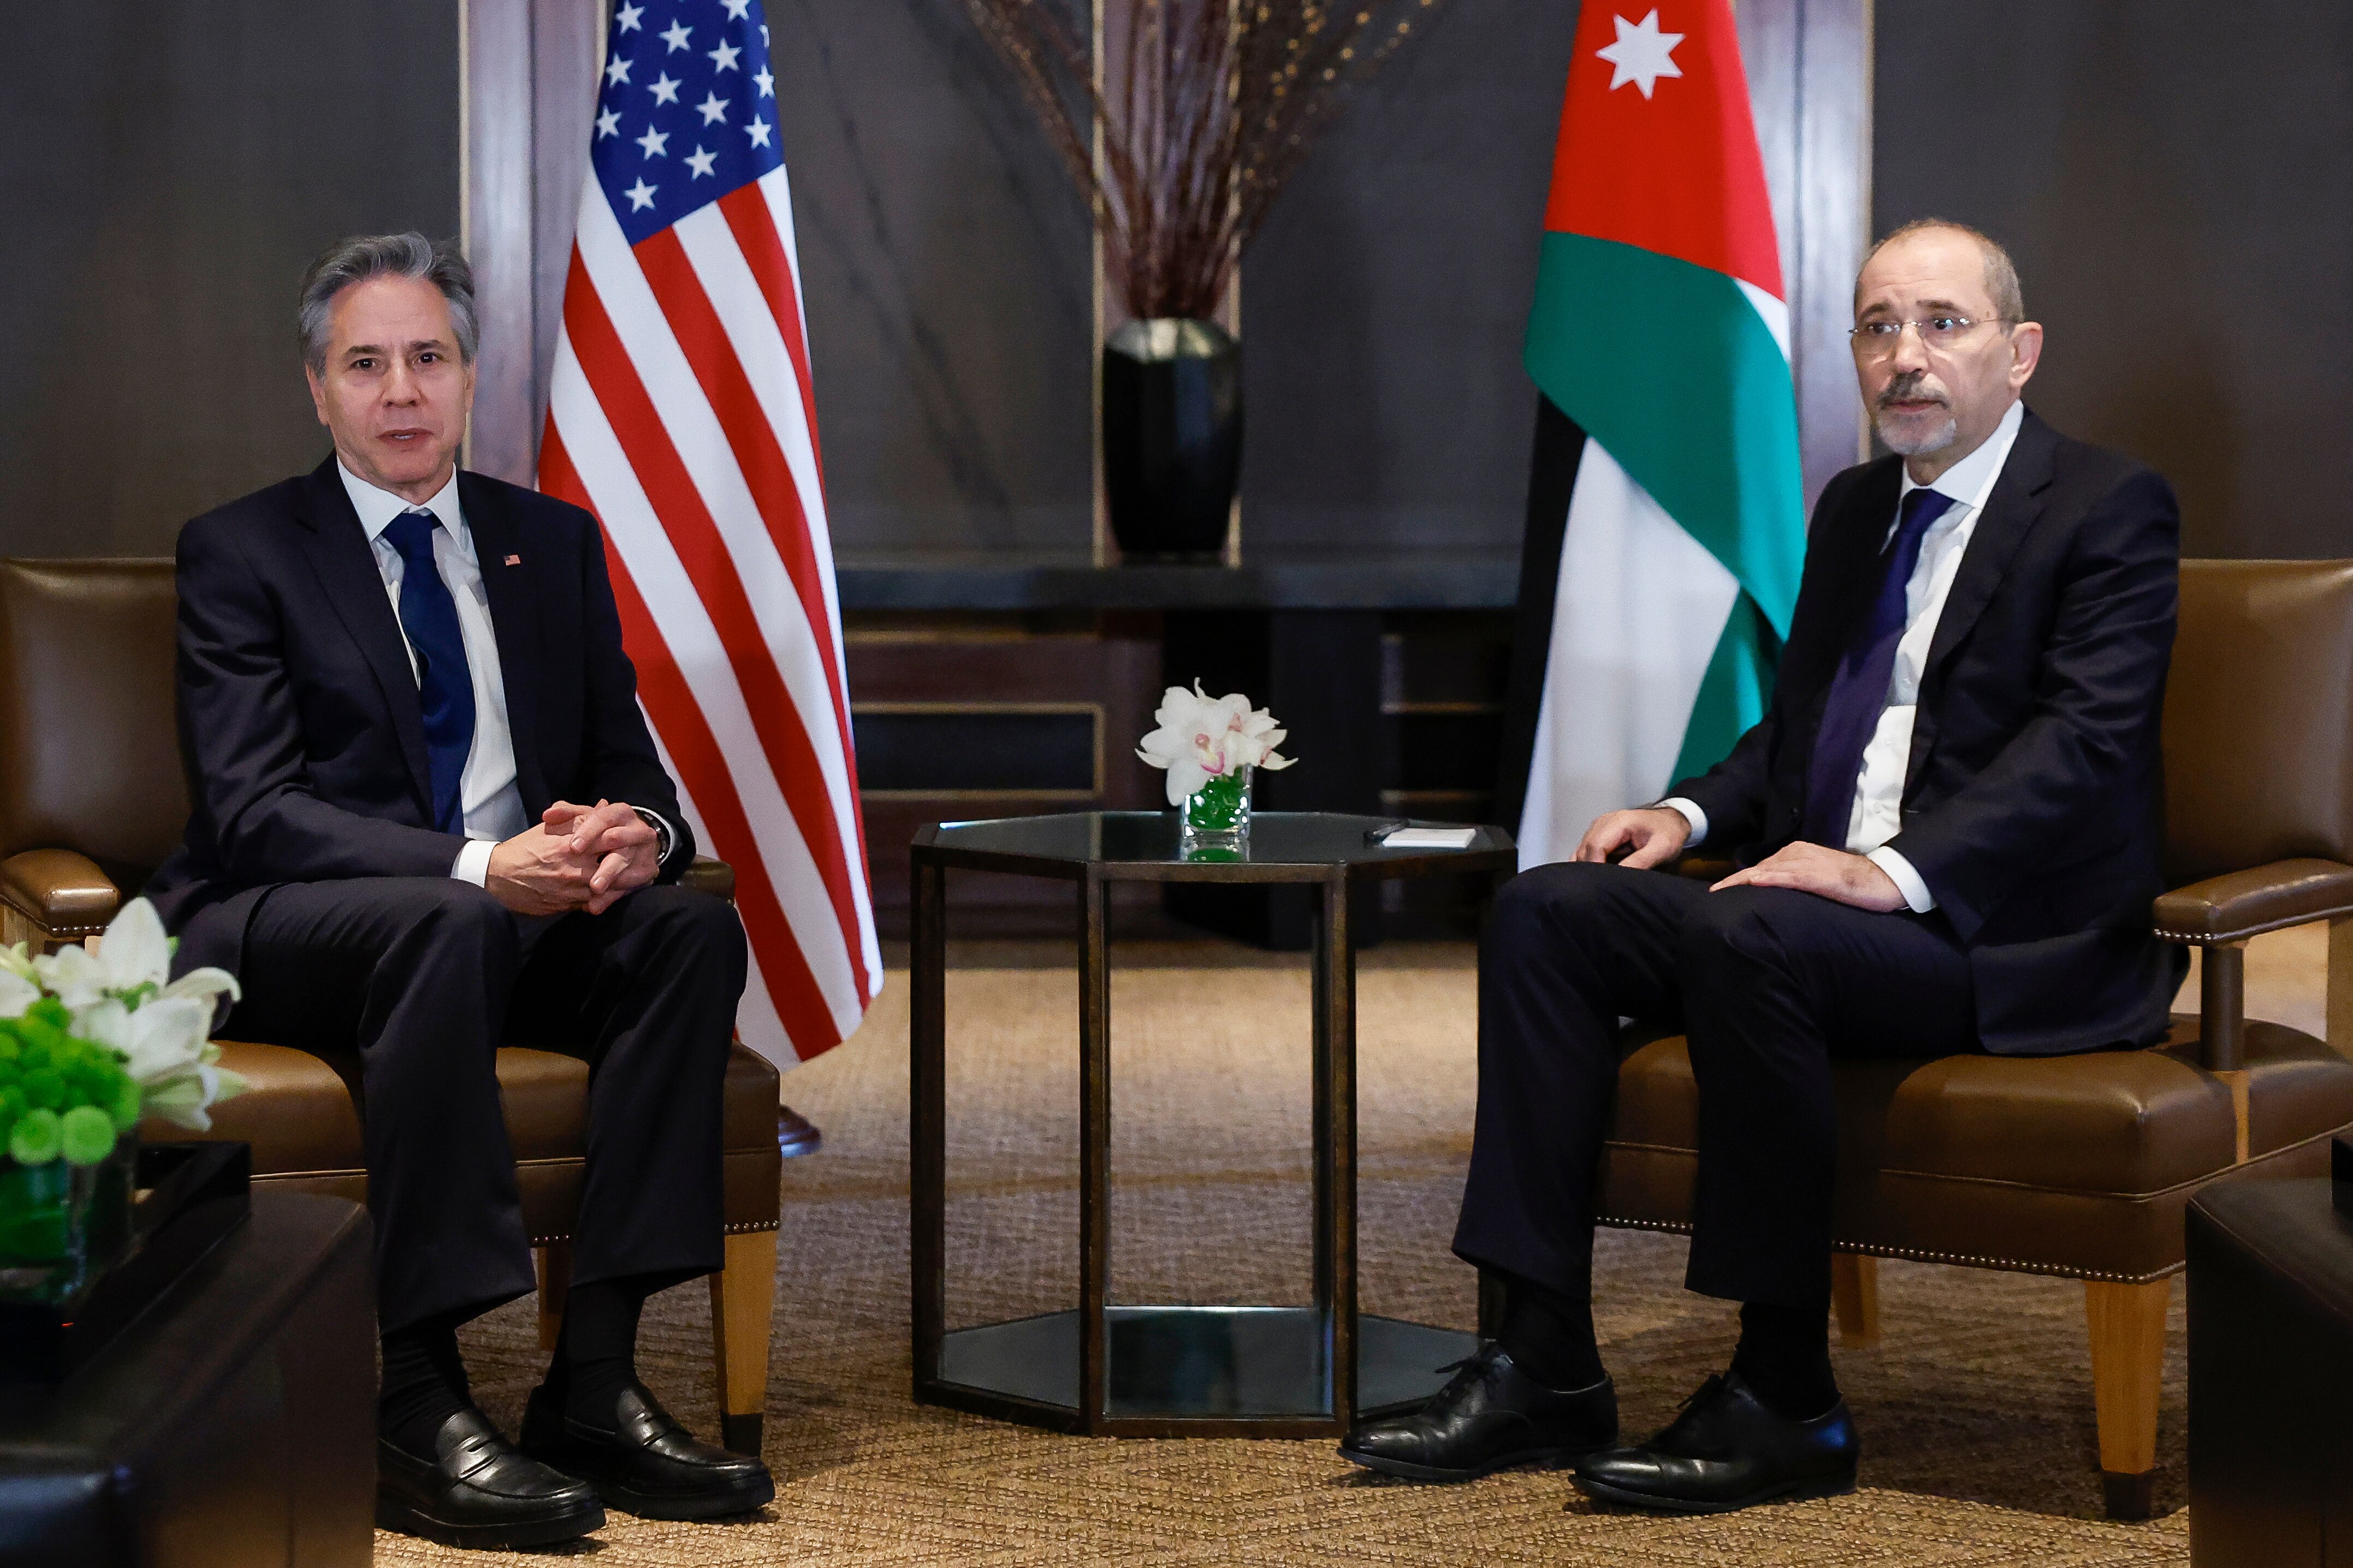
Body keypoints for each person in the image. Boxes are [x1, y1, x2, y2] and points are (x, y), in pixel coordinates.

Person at [1338, 219, 2184, 1513]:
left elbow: (2084, 746)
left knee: (1754, 933)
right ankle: (1540, 1358)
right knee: (1545, 911)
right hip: (1816, 923)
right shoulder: (1853, 506)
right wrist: (1686, 811)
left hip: (1993, 941)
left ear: (2018, 352)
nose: (1904, 356)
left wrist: (1889, 870)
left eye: (1941, 324)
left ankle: (1785, 1394)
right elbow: (1797, 729)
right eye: (1877, 327)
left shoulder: (2106, 505)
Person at [145, 233, 774, 1548]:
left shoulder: (549, 542)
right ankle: (415, 1399)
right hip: (295, 919)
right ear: (317, 388)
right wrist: (485, 867)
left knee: (686, 931)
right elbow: (256, 813)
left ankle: (592, 1379)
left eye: (428, 357)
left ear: (471, 376)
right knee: (448, 920)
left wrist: (635, 834)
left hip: (504, 922)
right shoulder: (242, 549)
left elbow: (630, 769)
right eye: (365, 364)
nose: (401, 391)